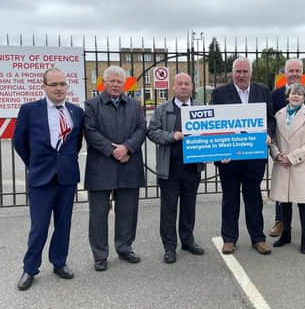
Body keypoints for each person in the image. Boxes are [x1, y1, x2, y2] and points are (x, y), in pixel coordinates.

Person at [13, 68, 84, 291]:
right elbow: (19, 142)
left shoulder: (76, 112)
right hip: (41, 178)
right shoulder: (29, 110)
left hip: (67, 177)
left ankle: (59, 262)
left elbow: (76, 144)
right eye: (53, 84)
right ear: (43, 87)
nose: (59, 88)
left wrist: (64, 161)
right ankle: (30, 268)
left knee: (63, 224)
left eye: (62, 84)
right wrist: (36, 164)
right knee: (39, 226)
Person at [210, 56, 276, 255]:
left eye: (245, 71)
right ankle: (229, 239)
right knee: (230, 198)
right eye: (238, 71)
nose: (241, 75)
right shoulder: (220, 93)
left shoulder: (263, 91)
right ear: (232, 73)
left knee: (254, 198)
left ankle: (258, 238)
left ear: (251, 73)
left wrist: (268, 134)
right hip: (229, 158)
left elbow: (270, 119)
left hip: (254, 157)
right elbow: (214, 124)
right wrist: (219, 150)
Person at [84, 65, 147, 271]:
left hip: (129, 164)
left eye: (119, 81)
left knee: (128, 211)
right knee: (99, 214)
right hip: (101, 166)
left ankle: (124, 247)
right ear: (104, 83)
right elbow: (90, 132)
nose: (116, 85)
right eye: (112, 81)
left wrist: (127, 147)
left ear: (124, 84)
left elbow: (141, 129)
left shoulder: (135, 105)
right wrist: (113, 151)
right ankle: (100, 255)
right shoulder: (92, 105)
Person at [147, 73, 205, 264]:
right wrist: (173, 136)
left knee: (189, 207)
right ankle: (169, 247)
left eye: (187, 84)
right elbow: (152, 132)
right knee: (169, 209)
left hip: (192, 168)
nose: (183, 87)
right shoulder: (163, 109)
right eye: (179, 84)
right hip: (169, 168)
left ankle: (187, 240)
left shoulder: (200, 108)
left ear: (192, 87)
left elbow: (211, 134)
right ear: (173, 87)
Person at [269, 58, 305, 238]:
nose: (294, 73)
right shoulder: (275, 95)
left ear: (302, 73)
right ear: (284, 73)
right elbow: (271, 122)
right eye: (291, 70)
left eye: (297, 71)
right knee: (282, 191)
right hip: (282, 154)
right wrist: (277, 153)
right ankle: (280, 222)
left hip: (301, 156)